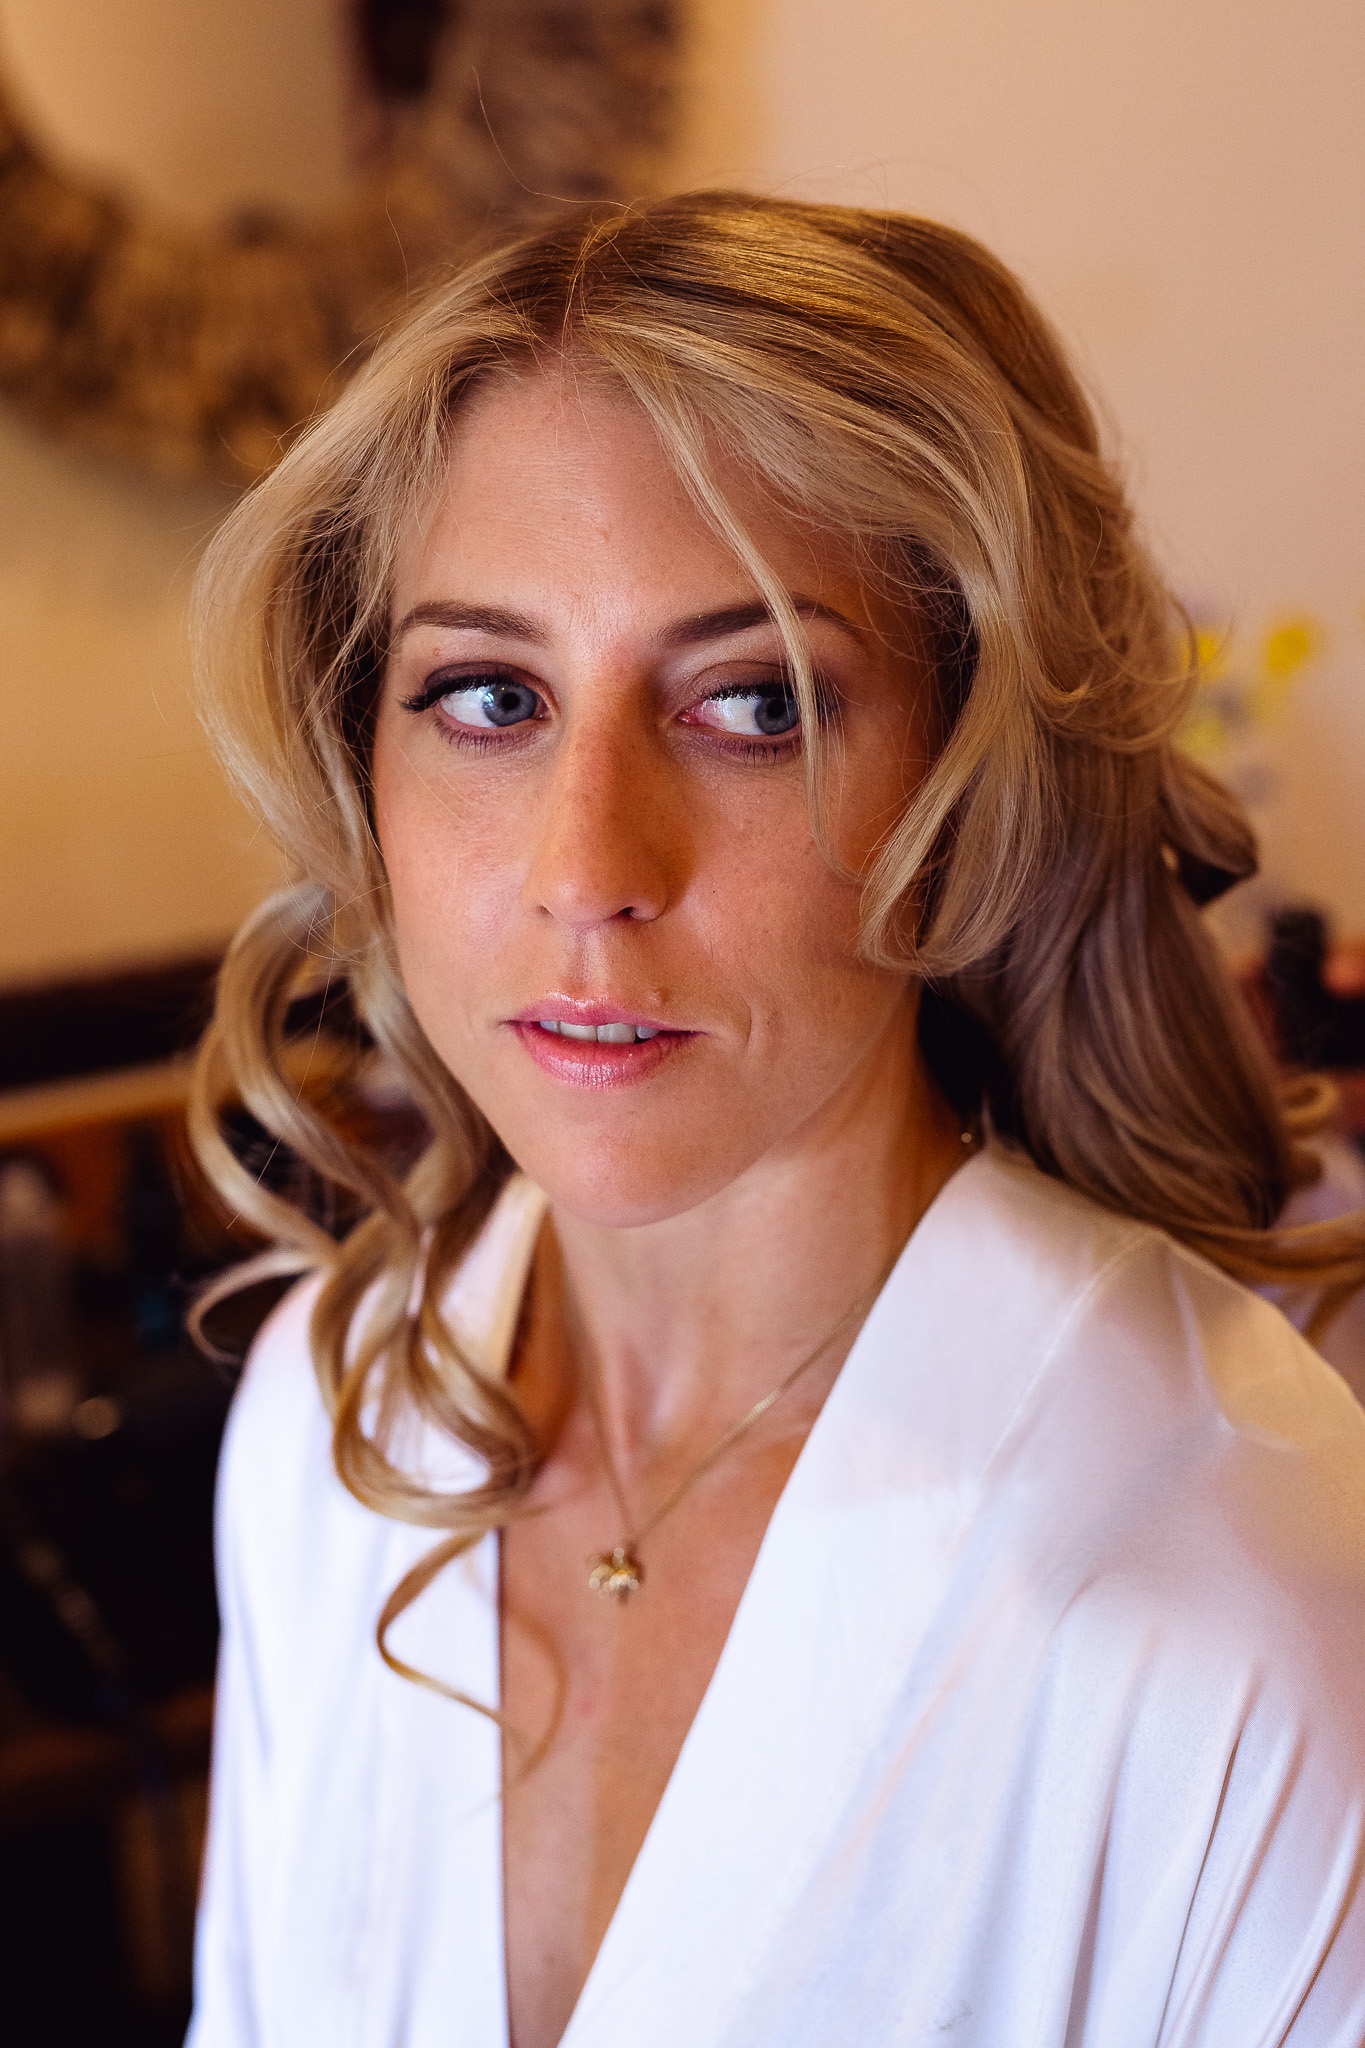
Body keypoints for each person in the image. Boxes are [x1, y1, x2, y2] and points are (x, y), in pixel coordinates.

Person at [184, 194, 1365, 2047]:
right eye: (487, 696)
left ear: (966, 781)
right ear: (366, 765)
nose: (588, 871)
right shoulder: (345, 1425)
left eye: (751, 705)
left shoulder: (1231, 1570)